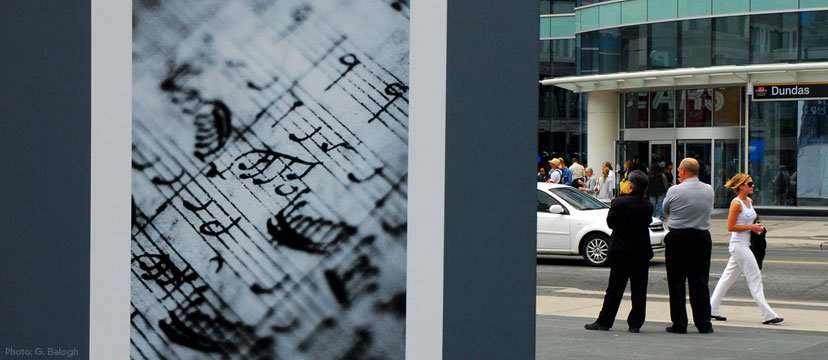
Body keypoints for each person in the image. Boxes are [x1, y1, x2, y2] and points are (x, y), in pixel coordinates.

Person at [584, 171, 654, 333]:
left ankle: (605, 321)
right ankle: (635, 322)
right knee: (639, 289)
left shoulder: (619, 203)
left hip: (621, 250)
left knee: (615, 288)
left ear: (630, 186)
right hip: (641, 251)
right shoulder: (648, 205)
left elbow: (611, 223)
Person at [710, 173, 784, 325]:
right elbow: (730, 227)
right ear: (740, 187)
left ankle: (711, 309)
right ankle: (767, 314)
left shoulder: (748, 201)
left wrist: (757, 228)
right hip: (739, 245)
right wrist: (751, 227)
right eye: (749, 184)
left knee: (726, 279)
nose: (753, 186)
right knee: (755, 277)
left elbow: (751, 220)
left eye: (752, 183)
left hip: (746, 243)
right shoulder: (736, 203)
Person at [661, 158, 715, 334]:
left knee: (676, 282)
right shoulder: (709, 189)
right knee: (700, 281)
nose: (678, 172)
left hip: (678, 237)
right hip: (701, 238)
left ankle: (680, 323)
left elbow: (666, 210)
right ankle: (704, 323)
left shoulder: (675, 189)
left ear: (684, 171)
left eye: (679, 170)